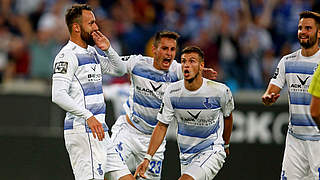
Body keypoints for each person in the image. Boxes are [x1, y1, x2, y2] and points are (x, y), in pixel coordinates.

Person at [110, 31, 217, 179]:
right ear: (154, 50)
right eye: (165, 48)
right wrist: (106, 49)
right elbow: (116, 64)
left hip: (155, 142)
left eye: (172, 49)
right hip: (129, 131)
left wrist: (201, 72)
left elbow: (192, 72)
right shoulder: (137, 63)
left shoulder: (177, 71)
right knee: (108, 170)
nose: (169, 53)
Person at [51, 4, 134, 180]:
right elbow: (58, 95)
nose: (96, 27)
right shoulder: (67, 56)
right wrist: (88, 116)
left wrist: (108, 49)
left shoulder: (92, 52)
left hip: (100, 131)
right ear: (76, 27)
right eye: (91, 23)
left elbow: (119, 70)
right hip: (83, 130)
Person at [134, 46, 234, 180]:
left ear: (201, 66)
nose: (187, 65)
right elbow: (162, 126)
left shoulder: (220, 91)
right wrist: (147, 158)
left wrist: (225, 144)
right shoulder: (172, 92)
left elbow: (228, 117)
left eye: (192, 61)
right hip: (186, 156)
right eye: (184, 61)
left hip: (211, 150)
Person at [262, 11, 320, 180]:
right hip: (294, 140)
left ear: (319, 32)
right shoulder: (287, 61)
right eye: (300, 28)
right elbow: (270, 91)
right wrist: (268, 98)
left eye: (308, 28)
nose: (303, 31)